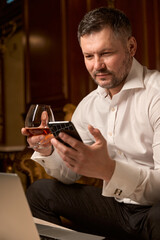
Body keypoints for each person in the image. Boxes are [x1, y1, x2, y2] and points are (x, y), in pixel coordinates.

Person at [21, 7, 160, 240]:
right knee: (40, 192)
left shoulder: (156, 94)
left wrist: (109, 170)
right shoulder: (89, 105)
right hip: (116, 209)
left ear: (131, 47)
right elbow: (68, 175)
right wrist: (47, 150)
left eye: (106, 53)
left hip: (155, 211)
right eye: (89, 56)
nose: (97, 66)